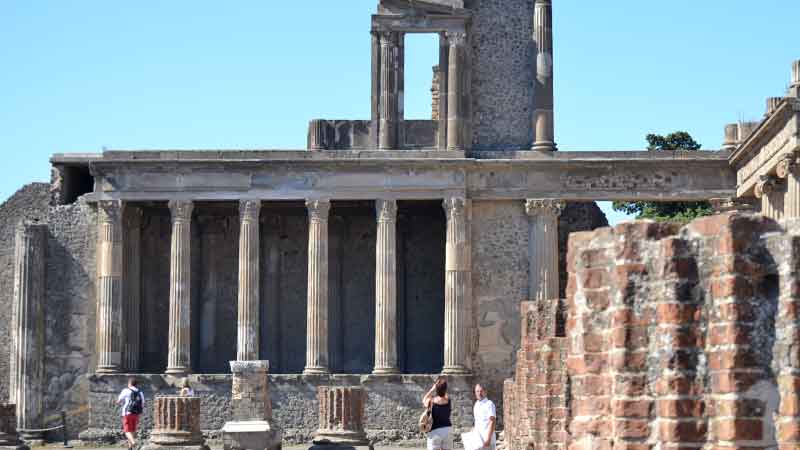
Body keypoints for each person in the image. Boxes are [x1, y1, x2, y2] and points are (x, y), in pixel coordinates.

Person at [423, 377, 452, 450]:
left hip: (434, 431)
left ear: (436, 389)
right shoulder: (448, 401)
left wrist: (432, 389)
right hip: (447, 430)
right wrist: (442, 388)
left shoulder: (431, 401)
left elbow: (424, 399)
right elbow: (444, 393)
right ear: (445, 389)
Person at [116, 377, 145, 449]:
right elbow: (143, 404)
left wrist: (119, 402)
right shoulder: (140, 392)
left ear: (130, 383)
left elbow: (119, 400)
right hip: (136, 413)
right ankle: (130, 448)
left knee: (127, 431)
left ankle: (134, 443)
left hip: (127, 413)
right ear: (136, 384)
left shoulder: (126, 390)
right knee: (132, 430)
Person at [473, 384, 496, 450]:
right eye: (477, 391)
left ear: (485, 392)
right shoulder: (476, 404)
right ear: (475, 393)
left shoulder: (489, 404)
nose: (479, 393)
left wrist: (488, 439)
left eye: (481, 391)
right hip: (478, 441)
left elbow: (492, 422)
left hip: (487, 441)